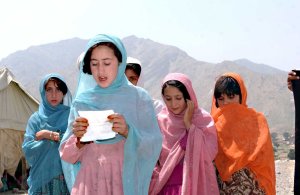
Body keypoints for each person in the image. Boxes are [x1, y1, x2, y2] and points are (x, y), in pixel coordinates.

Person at [59, 34, 162, 195]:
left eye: (107, 63)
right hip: (89, 184)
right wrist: (78, 140)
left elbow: (153, 145)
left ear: (120, 63)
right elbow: (67, 155)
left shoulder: (138, 98)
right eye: (94, 64)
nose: (101, 70)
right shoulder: (82, 101)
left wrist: (129, 132)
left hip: (123, 182)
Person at [149, 73, 219, 195]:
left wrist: (189, 125)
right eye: (168, 99)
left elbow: (209, 152)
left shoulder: (202, 119)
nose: (173, 104)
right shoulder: (160, 121)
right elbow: (151, 155)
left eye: (178, 98)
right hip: (165, 187)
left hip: (195, 186)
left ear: (188, 97)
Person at [211, 72, 275, 195]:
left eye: (231, 96)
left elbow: (265, 163)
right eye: (221, 98)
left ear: (241, 96)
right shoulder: (212, 126)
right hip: (224, 190)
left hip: (255, 189)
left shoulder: (257, 121)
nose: (225, 103)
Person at [22, 74, 72, 195]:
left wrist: (48, 135)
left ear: (64, 93)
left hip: (65, 180)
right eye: (49, 90)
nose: (54, 95)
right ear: (43, 92)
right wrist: (57, 138)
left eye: (58, 89)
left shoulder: (70, 116)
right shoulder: (35, 119)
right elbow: (27, 148)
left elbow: (74, 142)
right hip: (41, 179)